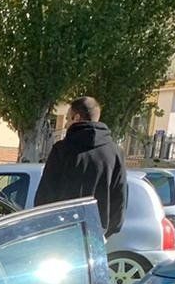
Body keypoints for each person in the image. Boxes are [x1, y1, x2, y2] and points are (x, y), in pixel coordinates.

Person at [34, 97, 127, 236]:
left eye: (67, 119)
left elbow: (45, 194)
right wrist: (108, 233)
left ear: (76, 117)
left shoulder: (62, 149)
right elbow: (119, 197)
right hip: (96, 234)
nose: (65, 125)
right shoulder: (115, 153)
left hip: (62, 233)